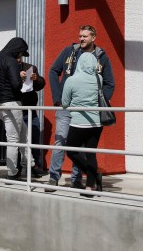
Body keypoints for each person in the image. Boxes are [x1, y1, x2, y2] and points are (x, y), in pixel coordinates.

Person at [48, 25, 115, 189]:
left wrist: (97, 102)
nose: (81, 39)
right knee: (61, 141)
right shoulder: (69, 52)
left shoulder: (101, 56)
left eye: (85, 36)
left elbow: (109, 84)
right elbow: (53, 71)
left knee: (83, 147)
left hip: (88, 111)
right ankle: (53, 177)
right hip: (66, 107)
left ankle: (76, 180)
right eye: (80, 36)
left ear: (94, 37)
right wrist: (58, 98)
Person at [0, 37, 34, 179]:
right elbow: (16, 85)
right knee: (13, 139)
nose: (21, 58)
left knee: (24, 134)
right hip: (11, 103)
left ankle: (29, 165)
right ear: (18, 51)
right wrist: (24, 79)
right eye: (21, 54)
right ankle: (12, 173)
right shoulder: (10, 60)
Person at [61, 53, 105, 194]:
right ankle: (89, 186)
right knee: (91, 154)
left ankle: (92, 175)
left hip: (78, 123)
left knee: (71, 151)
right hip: (96, 123)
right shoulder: (99, 78)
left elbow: (64, 103)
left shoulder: (71, 80)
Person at [18, 57, 46, 176]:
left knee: (34, 138)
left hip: (31, 110)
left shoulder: (30, 67)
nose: (18, 59)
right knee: (19, 141)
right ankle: (18, 169)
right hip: (17, 110)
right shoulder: (9, 68)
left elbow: (41, 85)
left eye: (20, 56)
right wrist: (17, 76)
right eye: (16, 56)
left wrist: (36, 79)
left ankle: (36, 168)